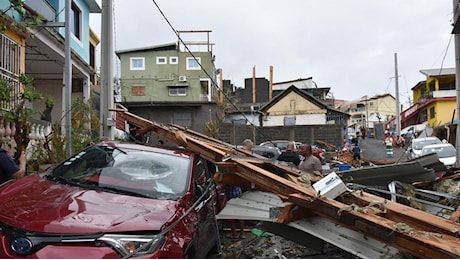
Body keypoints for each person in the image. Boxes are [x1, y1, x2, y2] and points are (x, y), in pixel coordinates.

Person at [225, 139, 251, 240]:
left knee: (233, 214)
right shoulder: (240, 157)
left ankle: (237, 234)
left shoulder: (234, 158)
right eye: (250, 147)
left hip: (232, 191)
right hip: (235, 190)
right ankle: (240, 234)